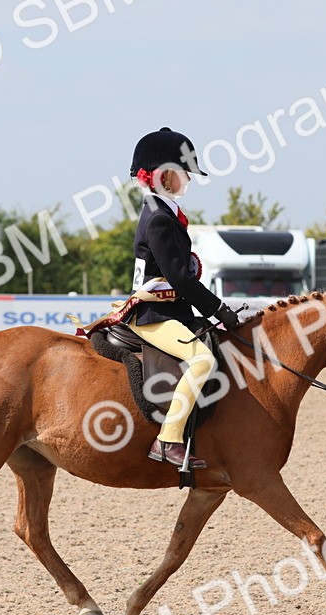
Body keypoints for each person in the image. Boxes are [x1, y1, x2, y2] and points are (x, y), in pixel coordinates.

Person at [124, 127, 240, 470]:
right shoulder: (159, 219)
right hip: (154, 316)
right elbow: (179, 278)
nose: (188, 179)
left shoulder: (164, 213)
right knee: (202, 360)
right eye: (184, 172)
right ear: (164, 176)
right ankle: (168, 439)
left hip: (169, 310)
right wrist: (218, 309)